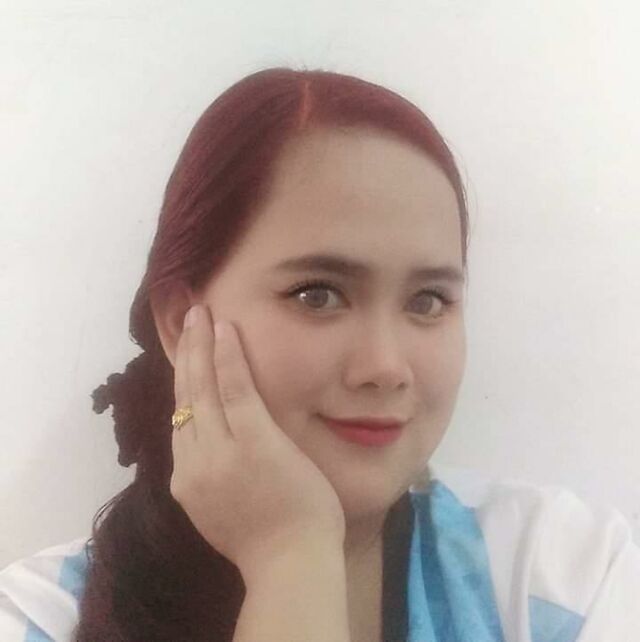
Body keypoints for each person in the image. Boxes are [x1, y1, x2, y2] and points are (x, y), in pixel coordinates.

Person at [1, 67, 638, 642]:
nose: (386, 367)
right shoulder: (41, 618)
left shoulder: (561, 575)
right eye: (318, 294)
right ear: (178, 323)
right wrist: (291, 559)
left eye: (428, 300)